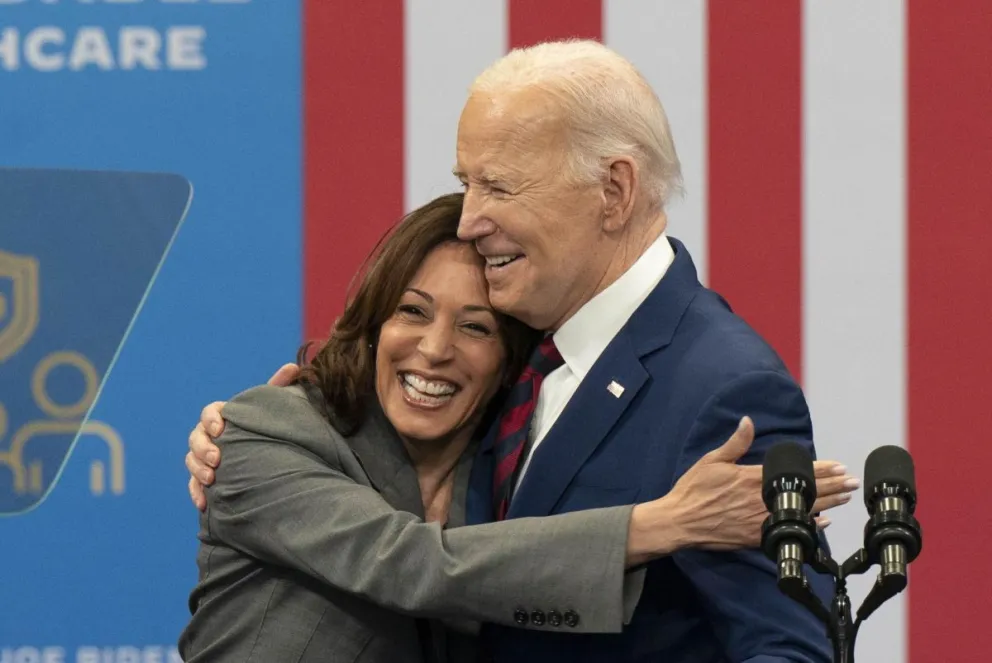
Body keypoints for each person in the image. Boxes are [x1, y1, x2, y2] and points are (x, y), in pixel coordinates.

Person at [187, 41, 859, 662]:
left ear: (613, 191)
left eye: (500, 186)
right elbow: (419, 555)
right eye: (467, 181)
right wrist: (247, 433)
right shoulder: (519, 368)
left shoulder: (721, 386)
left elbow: (791, 648)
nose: (470, 216)